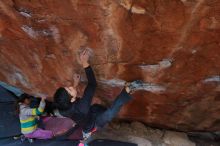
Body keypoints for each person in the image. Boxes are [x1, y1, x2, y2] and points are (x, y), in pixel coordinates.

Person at [52, 48, 135, 142]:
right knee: (109, 114)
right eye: (70, 89)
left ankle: (112, 123)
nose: (70, 86)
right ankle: (126, 92)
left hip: (90, 114)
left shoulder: (62, 108)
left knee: (99, 108)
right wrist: (84, 63)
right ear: (72, 100)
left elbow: (71, 98)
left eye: (67, 87)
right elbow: (92, 84)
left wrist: (75, 84)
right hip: (94, 124)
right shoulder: (81, 107)